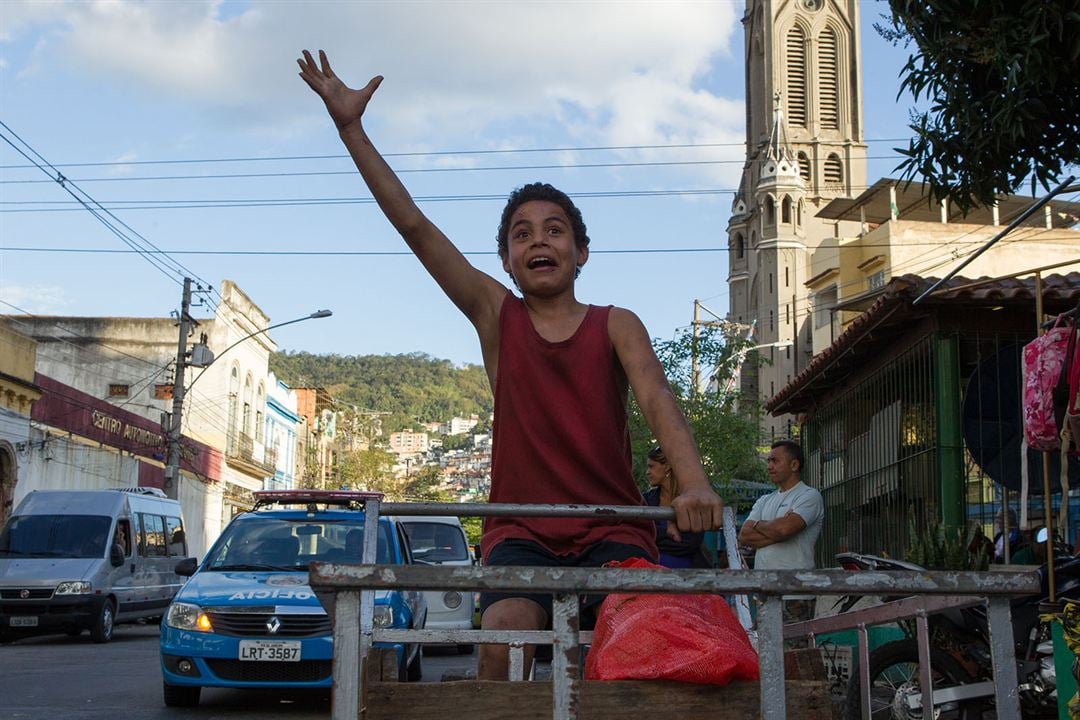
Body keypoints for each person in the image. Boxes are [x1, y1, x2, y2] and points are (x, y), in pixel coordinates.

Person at [297, 50, 724, 681]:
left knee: (632, 648)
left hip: (614, 528)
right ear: (505, 260)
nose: (539, 241)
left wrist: (693, 483)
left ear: (581, 251)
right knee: (505, 642)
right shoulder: (498, 316)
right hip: (521, 529)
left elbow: (660, 400)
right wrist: (351, 130)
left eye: (555, 230)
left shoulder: (617, 323)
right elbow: (414, 225)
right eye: (521, 234)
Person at [737, 440, 823, 623]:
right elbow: (744, 535)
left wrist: (760, 525)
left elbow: (784, 529)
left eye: (775, 461)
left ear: (794, 465)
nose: (769, 466)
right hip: (764, 592)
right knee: (765, 650)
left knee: (793, 650)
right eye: (768, 461)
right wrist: (777, 530)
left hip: (795, 592)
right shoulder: (765, 500)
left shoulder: (809, 496)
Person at [642, 446, 708, 569]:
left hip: (689, 573)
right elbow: (640, 536)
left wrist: (655, 537)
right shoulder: (645, 500)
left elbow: (691, 543)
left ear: (667, 467)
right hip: (651, 570)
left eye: (651, 466)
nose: (647, 472)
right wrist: (669, 534)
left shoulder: (691, 500)